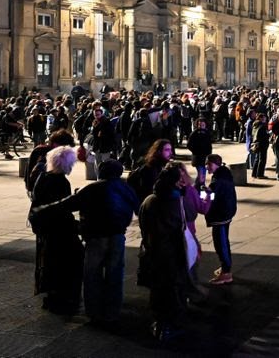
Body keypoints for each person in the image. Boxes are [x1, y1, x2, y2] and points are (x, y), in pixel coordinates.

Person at [50, 159, 138, 326]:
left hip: (96, 235)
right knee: (115, 274)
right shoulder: (125, 188)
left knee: (92, 274)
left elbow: (67, 204)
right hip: (118, 234)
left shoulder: (93, 188)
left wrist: (43, 210)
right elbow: (137, 206)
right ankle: (112, 312)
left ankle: (94, 311)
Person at [138, 164, 190, 342]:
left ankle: (159, 323)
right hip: (170, 254)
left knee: (158, 289)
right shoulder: (175, 202)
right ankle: (169, 326)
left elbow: (143, 225)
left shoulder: (149, 200)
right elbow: (181, 227)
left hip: (152, 252)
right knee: (172, 290)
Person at [31, 145, 83, 315]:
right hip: (58, 229)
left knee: (50, 261)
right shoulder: (60, 181)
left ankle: (53, 295)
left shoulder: (43, 177)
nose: (72, 167)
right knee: (64, 261)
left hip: (45, 227)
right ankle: (61, 296)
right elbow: (60, 208)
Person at [205, 154, 238, 285]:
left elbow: (210, 197)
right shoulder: (223, 174)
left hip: (220, 215)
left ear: (216, 164)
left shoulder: (218, 180)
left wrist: (203, 191)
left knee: (221, 243)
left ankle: (226, 272)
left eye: (209, 164)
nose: (207, 166)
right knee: (223, 241)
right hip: (226, 212)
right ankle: (225, 268)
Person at [128, 139, 174, 204]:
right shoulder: (150, 169)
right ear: (158, 152)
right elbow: (149, 192)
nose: (171, 153)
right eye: (167, 150)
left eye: (170, 150)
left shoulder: (160, 166)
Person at [186, 118, 213, 188]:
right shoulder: (194, 133)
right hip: (198, 158)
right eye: (199, 125)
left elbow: (209, 145)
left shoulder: (207, 133)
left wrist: (209, 156)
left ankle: (193, 190)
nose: (201, 126)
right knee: (201, 177)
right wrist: (195, 151)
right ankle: (200, 190)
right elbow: (189, 145)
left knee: (201, 176)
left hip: (205, 158)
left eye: (203, 125)